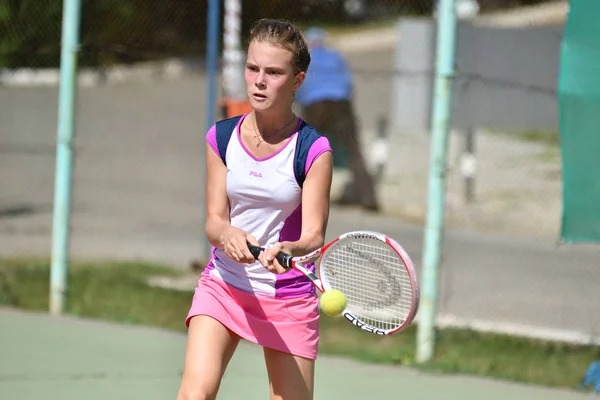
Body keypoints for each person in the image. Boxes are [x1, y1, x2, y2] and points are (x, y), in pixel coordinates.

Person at [176, 19, 333, 400]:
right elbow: (214, 221)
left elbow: (313, 236)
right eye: (253, 68)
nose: (259, 81)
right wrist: (228, 234)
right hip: (226, 286)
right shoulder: (222, 137)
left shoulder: (313, 150)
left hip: (287, 297)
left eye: (274, 72)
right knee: (194, 394)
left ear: (297, 80)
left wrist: (289, 249)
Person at [295, 27, 379, 211]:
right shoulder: (335, 56)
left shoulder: (304, 59)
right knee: (354, 151)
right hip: (340, 103)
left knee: (304, 149)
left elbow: (299, 87)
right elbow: (348, 84)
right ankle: (369, 197)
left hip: (314, 104)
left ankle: (297, 197)